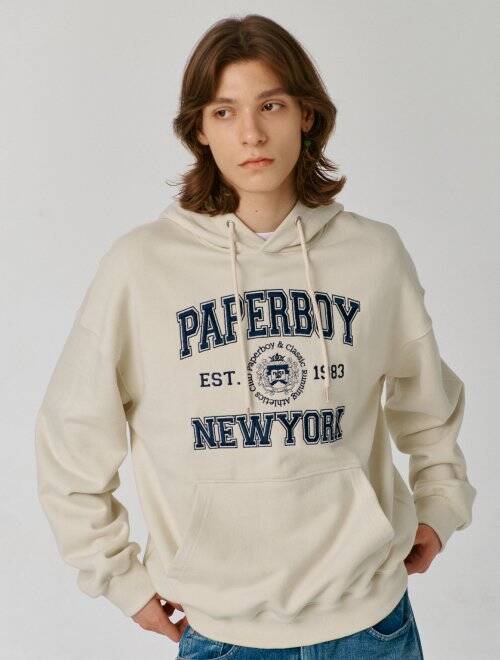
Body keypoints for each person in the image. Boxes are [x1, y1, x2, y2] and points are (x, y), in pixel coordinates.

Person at [34, 13, 476, 659]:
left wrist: (440, 502)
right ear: (199, 129)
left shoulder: (374, 255)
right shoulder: (140, 267)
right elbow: (71, 438)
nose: (250, 133)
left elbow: (428, 403)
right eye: (224, 111)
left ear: (306, 114)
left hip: (370, 621)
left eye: (271, 105)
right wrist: (119, 578)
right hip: (223, 632)